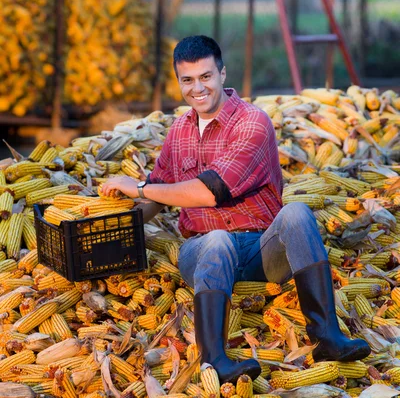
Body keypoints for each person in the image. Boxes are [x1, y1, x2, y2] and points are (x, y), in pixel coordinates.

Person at [102, 35, 370, 383]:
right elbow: (158, 193)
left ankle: (327, 338)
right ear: (178, 81)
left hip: (260, 251)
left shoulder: (252, 123)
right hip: (203, 253)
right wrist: (114, 224)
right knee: (216, 240)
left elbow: (212, 191)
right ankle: (214, 360)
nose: (197, 88)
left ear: (222, 74)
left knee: (297, 214)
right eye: (187, 80)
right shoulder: (178, 132)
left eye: (205, 77)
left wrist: (137, 185)